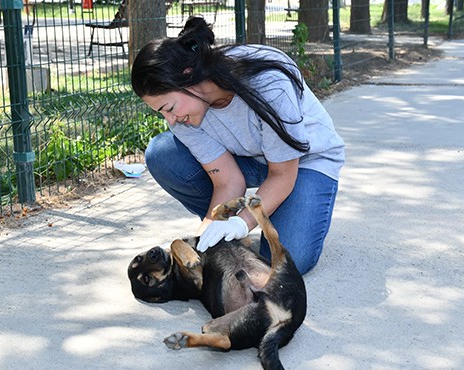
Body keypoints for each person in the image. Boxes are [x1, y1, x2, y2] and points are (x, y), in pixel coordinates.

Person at [131, 17, 345, 274]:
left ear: (187, 76)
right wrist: (203, 241)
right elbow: (227, 182)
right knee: (163, 154)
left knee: (284, 263)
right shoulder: (183, 119)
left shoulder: (267, 81)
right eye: (161, 113)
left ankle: (260, 218)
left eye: (169, 108)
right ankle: (228, 232)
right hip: (249, 162)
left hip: (303, 164)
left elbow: (282, 176)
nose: (170, 120)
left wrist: (242, 224)